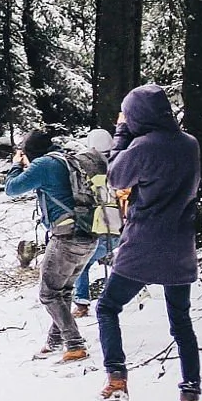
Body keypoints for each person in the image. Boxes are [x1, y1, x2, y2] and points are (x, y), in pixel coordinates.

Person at [96, 83, 202, 401]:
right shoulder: (190, 144)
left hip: (144, 243)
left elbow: (115, 178)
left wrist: (120, 135)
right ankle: (191, 389)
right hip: (181, 243)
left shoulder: (142, 147)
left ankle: (116, 378)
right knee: (181, 321)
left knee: (107, 307)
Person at [4, 129, 100, 363]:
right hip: (89, 235)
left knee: (48, 294)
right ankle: (54, 341)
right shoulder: (67, 160)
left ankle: (75, 344)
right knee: (62, 291)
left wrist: (17, 165)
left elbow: (11, 188)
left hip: (66, 238)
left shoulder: (43, 165)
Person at [72, 128, 121, 316]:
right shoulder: (118, 166)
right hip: (119, 227)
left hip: (98, 228)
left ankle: (82, 303)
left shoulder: (87, 170)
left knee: (81, 263)